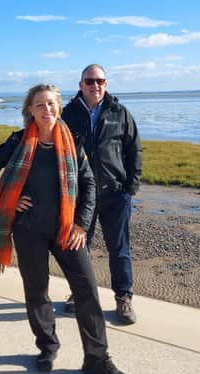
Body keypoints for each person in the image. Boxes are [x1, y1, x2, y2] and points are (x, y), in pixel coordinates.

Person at [0, 84, 129, 374]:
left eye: (51, 104)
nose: (46, 110)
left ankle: (96, 359)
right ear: (29, 110)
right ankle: (47, 347)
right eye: (39, 105)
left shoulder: (72, 141)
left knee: (87, 291)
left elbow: (88, 185)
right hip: (28, 230)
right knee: (36, 292)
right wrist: (7, 198)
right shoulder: (19, 141)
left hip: (67, 231)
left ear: (59, 107)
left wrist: (82, 225)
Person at [61, 64, 142, 325]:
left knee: (119, 249)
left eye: (100, 80)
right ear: (81, 84)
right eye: (90, 80)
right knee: (79, 246)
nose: (95, 85)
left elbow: (134, 151)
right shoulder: (68, 113)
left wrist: (130, 188)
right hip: (82, 196)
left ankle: (123, 298)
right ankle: (79, 292)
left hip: (114, 194)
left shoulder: (119, 112)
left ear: (106, 84)